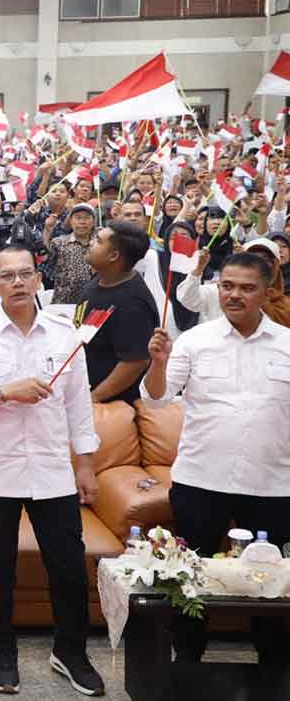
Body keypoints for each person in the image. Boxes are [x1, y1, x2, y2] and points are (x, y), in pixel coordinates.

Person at [0, 245, 103, 697]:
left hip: (52, 471)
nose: (16, 282)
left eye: (24, 274)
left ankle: (71, 652)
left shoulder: (63, 334)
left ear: (38, 280)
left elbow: (79, 405)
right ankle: (2, 651)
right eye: (6, 276)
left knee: (68, 566)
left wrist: (86, 464)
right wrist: (1, 392)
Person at [143, 251, 290, 667]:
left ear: (267, 292)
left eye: (247, 288)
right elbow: (155, 399)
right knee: (189, 581)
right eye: (227, 286)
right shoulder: (193, 341)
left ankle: (274, 670)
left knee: (272, 585)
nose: (234, 295)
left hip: (274, 486)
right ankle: (187, 664)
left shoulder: (287, 345)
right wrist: (158, 362)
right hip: (200, 481)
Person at [82, 220, 157, 404]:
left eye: (98, 241)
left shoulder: (133, 303)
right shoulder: (101, 278)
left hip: (113, 406)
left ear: (113, 256)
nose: (91, 242)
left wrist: (95, 398)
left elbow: (134, 362)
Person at [48, 203, 97, 305]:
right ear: (70, 221)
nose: (82, 222)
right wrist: (47, 230)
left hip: (93, 301)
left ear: (93, 222)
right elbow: (47, 267)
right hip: (63, 303)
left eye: (87, 218)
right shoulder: (58, 243)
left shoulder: (100, 244)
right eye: (78, 218)